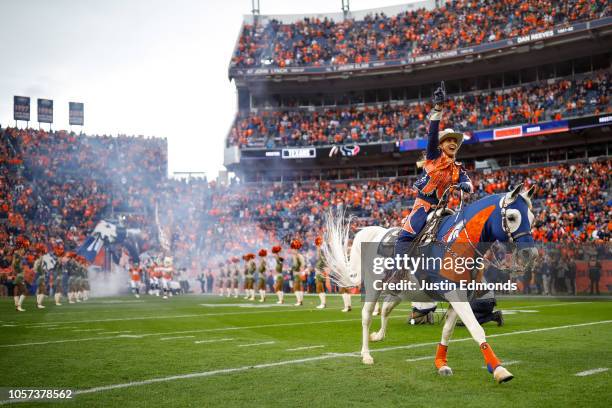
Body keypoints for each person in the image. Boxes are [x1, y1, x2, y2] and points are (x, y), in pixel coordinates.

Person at [396, 81, 473, 249]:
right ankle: (395, 270)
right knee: (405, 237)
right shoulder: (433, 156)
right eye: (449, 140)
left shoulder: (458, 168)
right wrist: (438, 108)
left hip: (443, 210)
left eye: (455, 141)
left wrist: (466, 185)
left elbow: (468, 182)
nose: (453, 143)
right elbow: (432, 134)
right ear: (440, 145)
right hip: (423, 207)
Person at [290, 239, 305, 306]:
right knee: (298, 288)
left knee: (296, 288)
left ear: (295, 249)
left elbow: (302, 265)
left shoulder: (299, 256)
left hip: (298, 274)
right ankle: (300, 301)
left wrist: (301, 273)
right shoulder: (295, 256)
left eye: (293, 249)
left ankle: (299, 301)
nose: (292, 250)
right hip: (297, 274)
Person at [314, 237, 327, 309]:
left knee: (319, 288)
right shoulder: (321, 255)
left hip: (320, 273)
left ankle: (323, 303)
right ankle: (323, 303)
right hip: (319, 272)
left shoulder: (322, 253)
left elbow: (323, 261)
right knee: (320, 288)